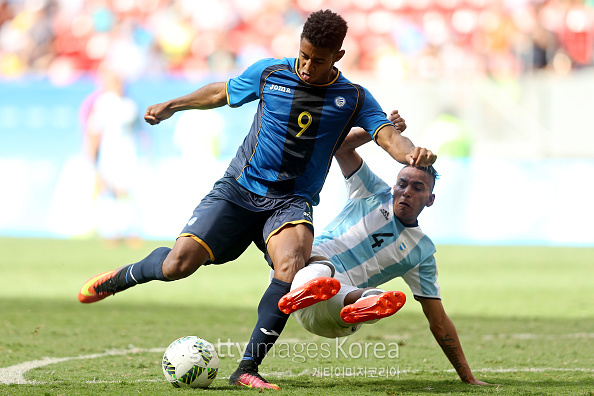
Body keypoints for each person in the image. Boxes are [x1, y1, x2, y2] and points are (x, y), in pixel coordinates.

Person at [77, 10, 436, 389]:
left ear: (338, 58)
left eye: (318, 60)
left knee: (292, 263)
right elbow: (221, 91)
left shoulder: (353, 97)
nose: (307, 67)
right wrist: (173, 105)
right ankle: (121, 278)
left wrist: (411, 156)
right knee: (176, 266)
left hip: (290, 202)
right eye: (304, 55)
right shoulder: (271, 72)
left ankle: (247, 368)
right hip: (239, 190)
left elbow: (388, 137)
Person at [276, 113, 488, 385]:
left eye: (417, 187)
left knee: (378, 297)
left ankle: (360, 302)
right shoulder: (371, 192)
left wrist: (467, 376)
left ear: (430, 199)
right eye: (402, 184)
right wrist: (380, 129)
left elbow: (438, 320)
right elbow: (341, 147)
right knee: (320, 267)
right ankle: (330, 293)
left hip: (334, 314)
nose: (406, 191)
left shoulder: (421, 251)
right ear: (393, 186)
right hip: (302, 280)